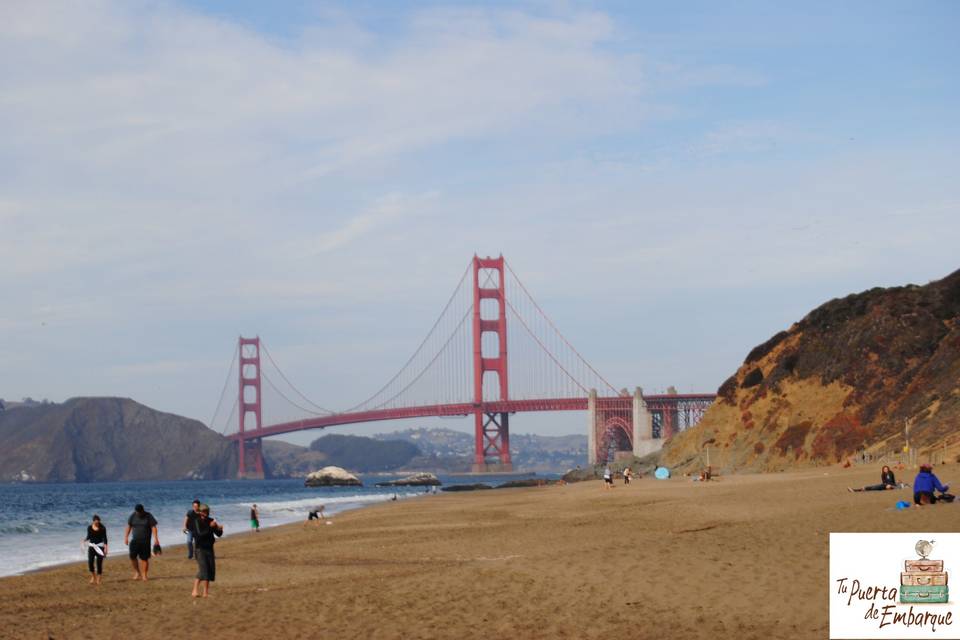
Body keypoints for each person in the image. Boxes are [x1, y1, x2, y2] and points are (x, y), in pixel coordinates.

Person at [191, 504, 223, 598]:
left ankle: (205, 593)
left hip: (209, 548)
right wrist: (210, 527)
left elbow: (218, 534)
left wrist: (219, 528)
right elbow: (200, 534)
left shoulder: (211, 520)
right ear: (200, 512)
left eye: (207, 511)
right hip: (200, 548)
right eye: (204, 511)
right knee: (203, 570)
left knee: (209, 570)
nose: (206, 513)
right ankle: (194, 590)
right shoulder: (196, 521)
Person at [124, 504, 159, 581]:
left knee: (144, 559)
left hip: (145, 541)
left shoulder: (148, 516)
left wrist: (156, 539)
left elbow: (153, 527)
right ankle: (137, 572)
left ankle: (144, 575)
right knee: (132, 557)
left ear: (143, 510)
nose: (138, 513)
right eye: (137, 512)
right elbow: (129, 526)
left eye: (139, 512)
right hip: (135, 540)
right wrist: (126, 537)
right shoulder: (133, 515)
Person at [83, 515, 108, 585]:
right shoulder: (89, 528)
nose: (97, 524)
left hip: (100, 547)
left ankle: (99, 579)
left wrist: (106, 548)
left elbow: (105, 539)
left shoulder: (102, 528)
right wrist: (84, 540)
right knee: (90, 563)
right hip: (92, 547)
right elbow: (88, 536)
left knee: (99, 564)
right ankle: (93, 577)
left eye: (98, 522)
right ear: (93, 521)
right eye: (96, 523)